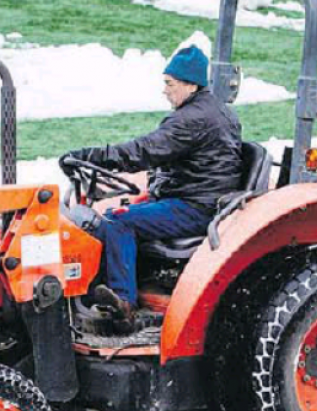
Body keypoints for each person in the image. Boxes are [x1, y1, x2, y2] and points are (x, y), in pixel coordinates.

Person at [61, 44, 243, 323]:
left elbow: (144, 151)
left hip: (196, 206)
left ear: (190, 85)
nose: (165, 90)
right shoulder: (212, 111)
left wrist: (93, 156)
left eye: (169, 84)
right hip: (195, 195)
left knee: (117, 221)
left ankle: (123, 302)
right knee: (122, 210)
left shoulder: (193, 119)